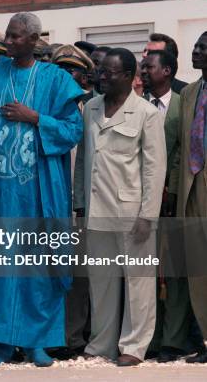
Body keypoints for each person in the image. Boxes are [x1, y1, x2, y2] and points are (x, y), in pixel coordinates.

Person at [0, 12, 83, 367]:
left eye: (16, 37)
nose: (9, 42)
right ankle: (0, 343)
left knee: (38, 265)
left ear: (34, 39)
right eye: (8, 36)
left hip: (41, 190)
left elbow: (73, 129)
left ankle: (36, 343)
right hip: (0, 192)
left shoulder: (56, 78)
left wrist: (36, 118)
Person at [74, 48, 166, 366]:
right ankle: (101, 344)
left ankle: (134, 345)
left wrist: (147, 215)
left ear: (128, 76)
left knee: (138, 282)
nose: (101, 76)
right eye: (100, 70)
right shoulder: (91, 108)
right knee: (102, 280)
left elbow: (154, 169)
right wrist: (80, 203)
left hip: (131, 213)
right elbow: (84, 161)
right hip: (97, 210)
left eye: (109, 72)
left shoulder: (146, 114)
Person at [142, 49, 206, 362]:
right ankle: (156, 338)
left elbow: (184, 148)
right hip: (158, 198)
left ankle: (178, 338)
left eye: (149, 66)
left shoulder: (183, 99)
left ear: (166, 70)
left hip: (183, 194)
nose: (142, 71)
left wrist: (174, 191)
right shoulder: (186, 94)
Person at [51, 43, 95, 360]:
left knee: (78, 274)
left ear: (83, 77)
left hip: (79, 203)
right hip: (47, 201)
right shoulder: (39, 109)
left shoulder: (91, 111)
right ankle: (48, 335)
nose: (66, 75)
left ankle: (73, 336)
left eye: (73, 70)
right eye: (60, 69)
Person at [169, 31, 207, 364]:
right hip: (192, 187)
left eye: (203, 48)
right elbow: (181, 147)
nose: (196, 52)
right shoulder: (190, 92)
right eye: (195, 47)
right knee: (197, 267)